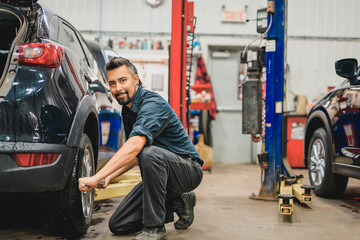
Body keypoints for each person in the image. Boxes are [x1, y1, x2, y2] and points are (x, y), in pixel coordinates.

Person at [78, 57, 203, 240]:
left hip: (187, 170)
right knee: (119, 224)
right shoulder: (127, 112)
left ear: (135, 79)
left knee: (149, 153)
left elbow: (136, 146)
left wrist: (96, 176)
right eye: (112, 84)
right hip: (161, 175)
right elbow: (134, 156)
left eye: (122, 80)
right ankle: (179, 200)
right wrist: (108, 176)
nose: (117, 88)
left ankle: (155, 227)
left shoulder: (152, 104)